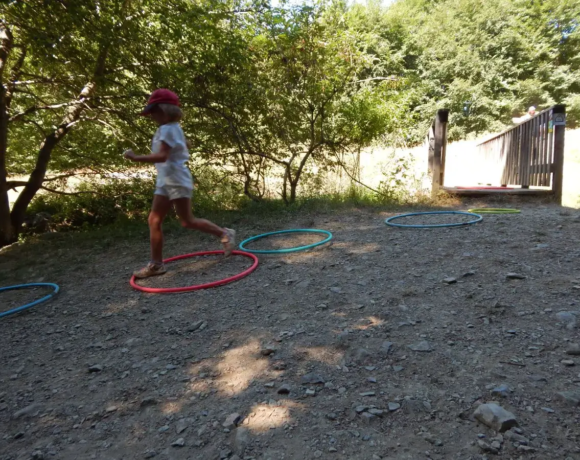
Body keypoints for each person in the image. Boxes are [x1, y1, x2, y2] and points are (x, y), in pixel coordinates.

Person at [124, 89, 236, 279]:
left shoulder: (168, 128)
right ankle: (156, 265)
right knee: (154, 220)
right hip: (166, 180)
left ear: (164, 110)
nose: (151, 116)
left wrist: (135, 157)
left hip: (175, 179)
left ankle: (225, 233)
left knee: (187, 221)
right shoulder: (168, 128)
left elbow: (162, 155)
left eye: (154, 111)